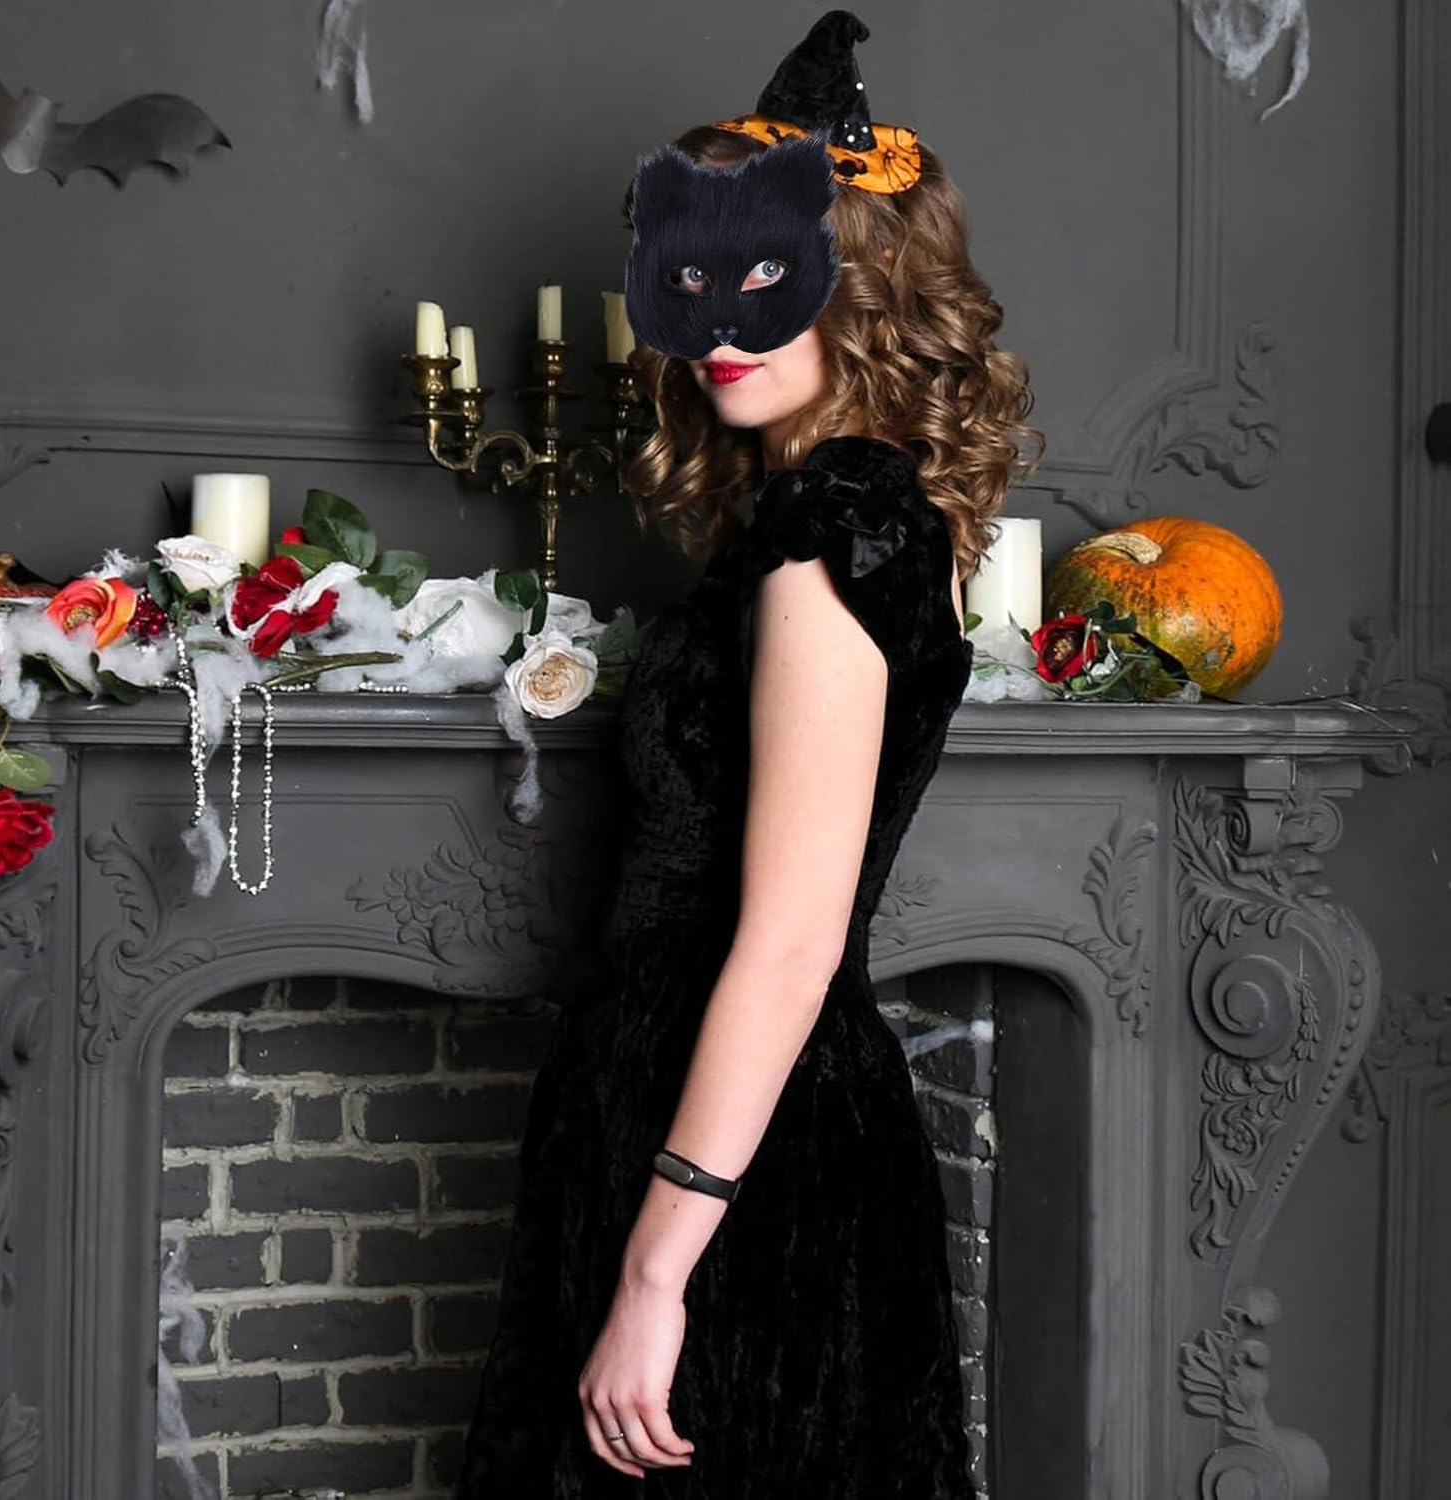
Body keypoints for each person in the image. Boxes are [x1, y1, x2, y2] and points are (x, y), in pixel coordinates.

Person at [457, 11, 1042, 1497]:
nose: (720, 316)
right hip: (698, 1123)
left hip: (735, 1170)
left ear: (867, 294)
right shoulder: (832, 516)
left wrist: (656, 1275)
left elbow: (788, 944)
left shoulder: (832, 530)